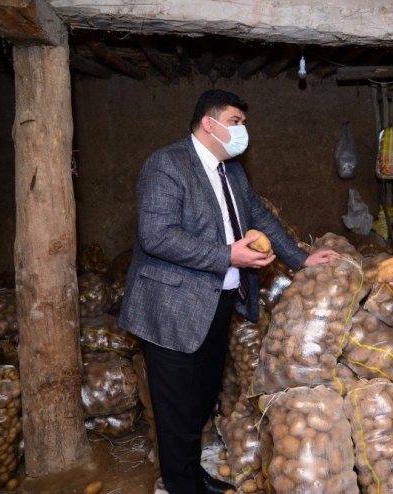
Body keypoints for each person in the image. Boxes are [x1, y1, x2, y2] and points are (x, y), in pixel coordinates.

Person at [118, 89, 335, 494]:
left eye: (244, 123)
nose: (242, 130)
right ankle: (183, 485)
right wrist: (227, 254)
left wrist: (299, 258)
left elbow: (258, 216)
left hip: (216, 304)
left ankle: (191, 474)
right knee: (176, 408)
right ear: (209, 123)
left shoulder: (231, 170)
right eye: (236, 121)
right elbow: (156, 236)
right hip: (171, 308)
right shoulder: (166, 165)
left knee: (201, 399)